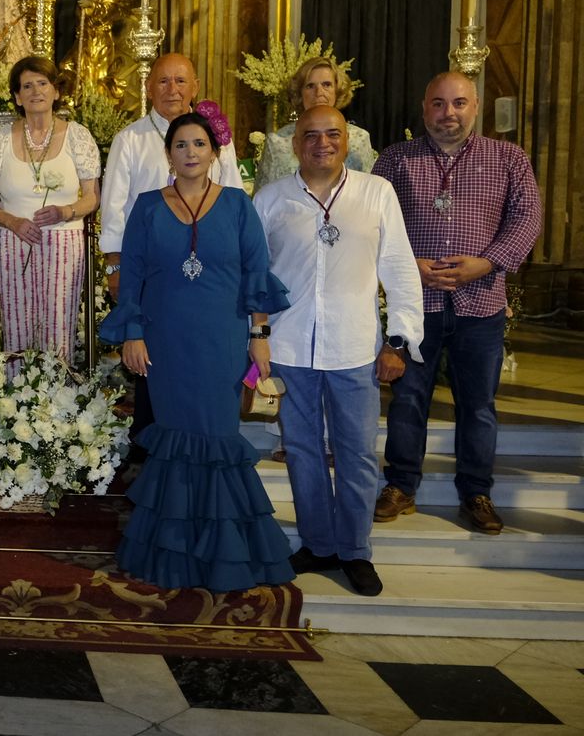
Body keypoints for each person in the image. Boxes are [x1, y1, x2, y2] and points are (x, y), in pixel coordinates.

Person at [99, 113, 293, 592]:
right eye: (181, 144)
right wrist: (133, 334)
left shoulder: (236, 205)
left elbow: (256, 270)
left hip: (222, 340)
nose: (190, 152)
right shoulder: (146, 207)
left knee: (217, 438)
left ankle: (225, 552)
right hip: (165, 342)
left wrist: (260, 334)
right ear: (169, 154)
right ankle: (172, 555)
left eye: (199, 144)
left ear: (213, 152)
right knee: (176, 440)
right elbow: (135, 275)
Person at [254, 106, 422, 596]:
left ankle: (354, 550)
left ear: (347, 141)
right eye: (311, 135)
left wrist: (398, 341)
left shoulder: (376, 193)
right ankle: (318, 543)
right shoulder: (270, 200)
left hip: (356, 347)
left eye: (332, 134)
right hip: (289, 347)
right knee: (303, 451)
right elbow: (254, 277)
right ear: (295, 143)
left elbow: (400, 269)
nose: (322, 143)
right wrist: (257, 336)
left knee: (356, 454)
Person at [373, 72, 541, 535]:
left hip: (481, 303)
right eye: (439, 104)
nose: (449, 113)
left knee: (479, 404)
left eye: (459, 103)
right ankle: (401, 485)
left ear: (476, 106)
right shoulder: (395, 160)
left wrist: (487, 263)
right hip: (415, 303)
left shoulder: (509, 158)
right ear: (424, 107)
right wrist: (410, 263)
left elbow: (528, 217)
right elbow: (370, 220)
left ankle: (476, 492)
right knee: (408, 399)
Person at [98, 53, 240, 459]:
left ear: (195, 87)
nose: (172, 90)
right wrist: (114, 267)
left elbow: (232, 201)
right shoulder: (131, 139)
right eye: (163, 82)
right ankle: (150, 458)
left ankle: (202, 452)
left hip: (209, 276)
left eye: (180, 81)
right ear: (148, 88)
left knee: (205, 365)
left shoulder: (216, 141)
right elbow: (114, 207)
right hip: (150, 273)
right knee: (150, 365)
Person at [0, 56, 101, 362]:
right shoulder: (1, 140)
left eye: (43, 83)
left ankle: (59, 401)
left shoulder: (78, 136)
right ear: (18, 97)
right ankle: (17, 402)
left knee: (58, 327)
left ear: (56, 91)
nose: (36, 91)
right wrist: (11, 221)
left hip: (64, 241)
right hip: (12, 239)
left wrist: (66, 212)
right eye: (27, 86)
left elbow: (92, 197)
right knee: (17, 328)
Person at [254, 56, 377, 189]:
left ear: (338, 90)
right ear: (299, 94)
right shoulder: (277, 142)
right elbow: (262, 199)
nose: (319, 92)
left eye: (326, 85)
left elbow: (369, 192)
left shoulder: (359, 138)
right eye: (310, 86)